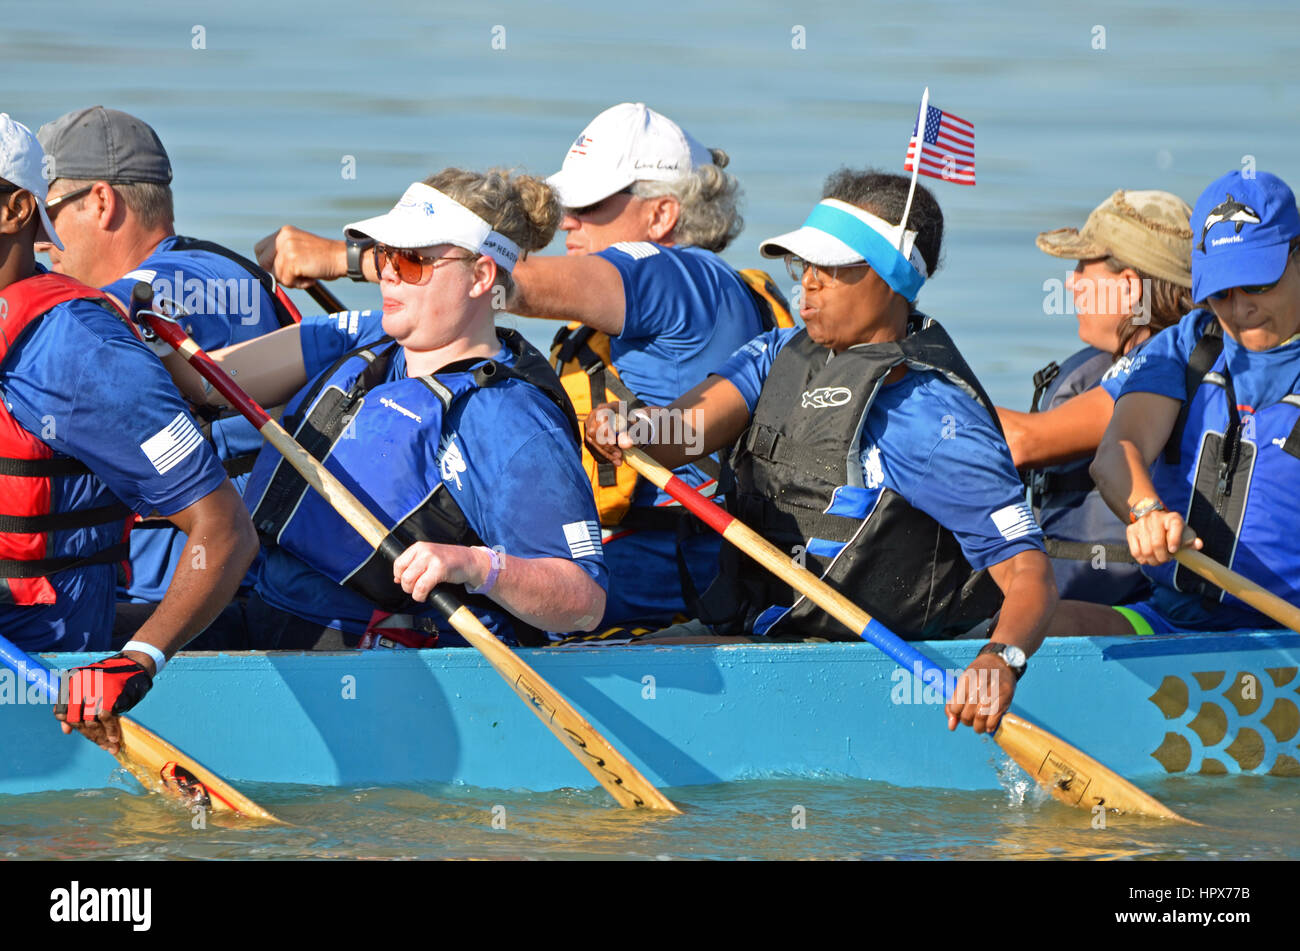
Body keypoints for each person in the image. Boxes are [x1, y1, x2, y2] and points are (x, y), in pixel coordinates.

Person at [253, 103, 791, 632]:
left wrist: (350, 258)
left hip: (667, 573)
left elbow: (512, 279)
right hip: (631, 552)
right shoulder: (637, 310)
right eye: (568, 204)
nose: (569, 223)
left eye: (592, 204)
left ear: (662, 214)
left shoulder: (681, 276)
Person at [590, 168, 1058, 733]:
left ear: (891, 278)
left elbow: (1028, 571)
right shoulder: (775, 353)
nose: (806, 285)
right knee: (595, 670)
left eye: (829, 269)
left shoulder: (932, 417)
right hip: (766, 635)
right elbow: (680, 436)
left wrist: (999, 662)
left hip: (877, 665)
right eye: (802, 266)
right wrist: (635, 431)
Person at [174, 169, 606, 648]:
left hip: (375, 660)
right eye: (383, 255)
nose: (389, 274)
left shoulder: (511, 420)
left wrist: (475, 565)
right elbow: (206, 379)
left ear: (481, 275)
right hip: (267, 611)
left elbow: (582, 603)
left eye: (413, 261)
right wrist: (120, 319)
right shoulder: (363, 335)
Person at [0, 114, 257, 751]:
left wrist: (138, 660)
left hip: (45, 673)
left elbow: (224, 528)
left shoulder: (80, 351)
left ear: (15, 210)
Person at [35, 107, 292, 634]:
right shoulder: (229, 272)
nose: (39, 241)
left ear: (102, 203)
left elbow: (92, 316)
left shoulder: (169, 285)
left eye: (48, 213)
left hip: (198, 601)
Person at [1051, 170, 1300, 637]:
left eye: (1259, 284)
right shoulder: (1189, 345)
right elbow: (1118, 449)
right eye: (1221, 292)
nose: (1240, 307)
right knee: (1028, 627)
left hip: (1284, 644)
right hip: (1168, 622)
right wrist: (1145, 512)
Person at [995, 189, 1194, 604]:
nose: (1071, 283)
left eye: (1084, 267)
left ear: (1127, 287)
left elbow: (1021, 441)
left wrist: (918, 397)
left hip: (1119, 608)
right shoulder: (1127, 362)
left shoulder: (1160, 369)